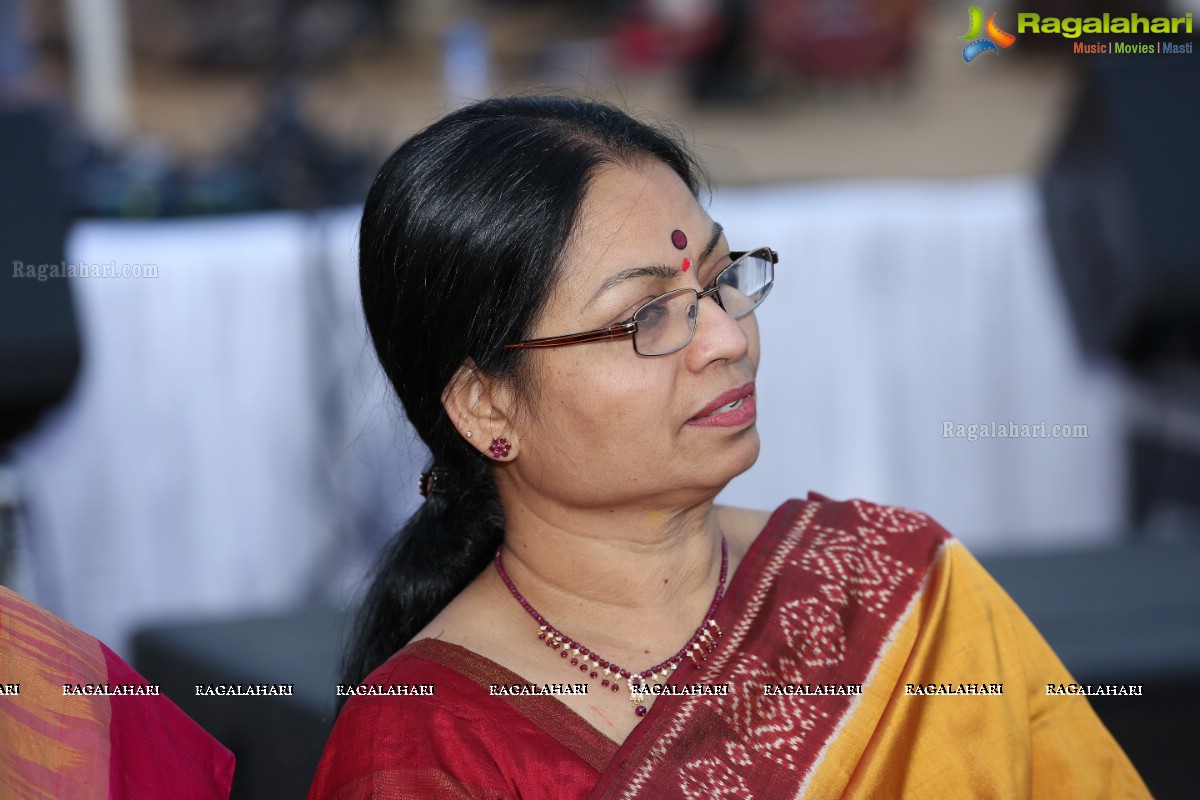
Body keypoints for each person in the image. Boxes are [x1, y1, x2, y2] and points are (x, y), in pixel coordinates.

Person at [307, 95, 1149, 799]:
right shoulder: (427, 748)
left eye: (718, 281)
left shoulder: (890, 579)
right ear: (488, 405)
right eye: (646, 317)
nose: (725, 338)